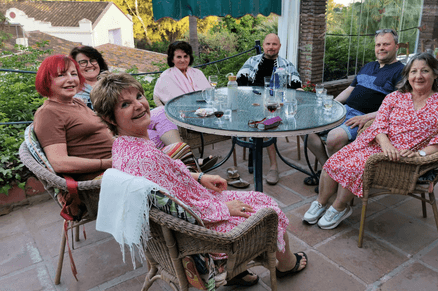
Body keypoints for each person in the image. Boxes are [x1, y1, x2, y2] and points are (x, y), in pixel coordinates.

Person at [91, 72, 308, 284]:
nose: (139, 105)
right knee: (268, 209)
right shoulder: (144, 157)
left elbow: (167, 175)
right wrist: (224, 209)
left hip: (185, 223)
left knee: (253, 198)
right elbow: (181, 208)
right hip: (200, 237)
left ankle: (237, 273)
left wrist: (199, 177)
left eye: (138, 96)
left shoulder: (123, 146)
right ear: (110, 117)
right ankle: (286, 265)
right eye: (125, 104)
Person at [302, 52, 438, 229]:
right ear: (407, 75)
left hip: (403, 155)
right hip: (377, 142)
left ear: (435, 74)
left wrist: (420, 154)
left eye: (425, 71)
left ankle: (339, 207)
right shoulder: (395, 97)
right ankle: (321, 203)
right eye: (413, 71)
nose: (418, 76)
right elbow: (378, 124)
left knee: (352, 165)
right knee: (334, 161)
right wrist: (385, 143)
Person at [303, 29, 404, 187]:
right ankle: (328, 171)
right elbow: (349, 90)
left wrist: (367, 117)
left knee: (334, 138)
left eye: (386, 44)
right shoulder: (368, 66)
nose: (381, 48)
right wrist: (330, 105)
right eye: (378, 44)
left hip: (364, 118)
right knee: (307, 130)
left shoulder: (401, 71)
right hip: (344, 111)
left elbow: (397, 106)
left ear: (396, 46)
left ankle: (332, 176)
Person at [33, 54, 113, 181]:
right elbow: (59, 162)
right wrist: (107, 163)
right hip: (102, 178)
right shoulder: (48, 113)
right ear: (46, 80)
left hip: (116, 165)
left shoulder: (77, 102)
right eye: (61, 75)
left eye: (74, 74)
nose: (71, 80)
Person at [236, 33, 302, 185]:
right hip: (253, 104)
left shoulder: (286, 64)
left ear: (279, 46)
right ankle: (269, 162)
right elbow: (240, 82)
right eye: (268, 44)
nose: (271, 47)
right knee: (261, 117)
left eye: (274, 44)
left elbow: (296, 87)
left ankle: (273, 165)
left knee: (266, 119)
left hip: (277, 105)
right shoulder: (252, 61)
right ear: (263, 46)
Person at [153, 41, 211, 106]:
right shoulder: (166, 76)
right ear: (172, 59)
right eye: (179, 57)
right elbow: (172, 103)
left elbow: (209, 94)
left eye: (185, 56)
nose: (183, 60)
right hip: (179, 114)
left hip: (205, 111)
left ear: (190, 57)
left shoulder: (198, 73)